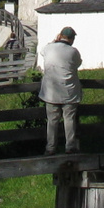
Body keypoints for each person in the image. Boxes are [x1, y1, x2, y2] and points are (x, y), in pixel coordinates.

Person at [40, 25, 82, 155]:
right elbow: (78, 64)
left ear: (60, 36)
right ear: (71, 39)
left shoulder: (48, 48)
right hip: (69, 91)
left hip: (51, 92)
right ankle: (70, 146)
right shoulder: (73, 51)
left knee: (52, 120)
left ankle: (50, 148)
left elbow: (42, 51)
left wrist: (54, 40)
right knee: (69, 119)